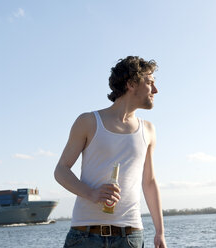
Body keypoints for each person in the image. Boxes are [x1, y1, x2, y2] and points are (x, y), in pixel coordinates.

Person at [54, 56, 166, 248]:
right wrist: (92, 194)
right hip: (84, 235)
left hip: (130, 236)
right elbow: (61, 171)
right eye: (150, 83)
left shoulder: (148, 130)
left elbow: (149, 182)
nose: (156, 90)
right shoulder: (88, 121)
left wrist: (160, 232)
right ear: (131, 84)